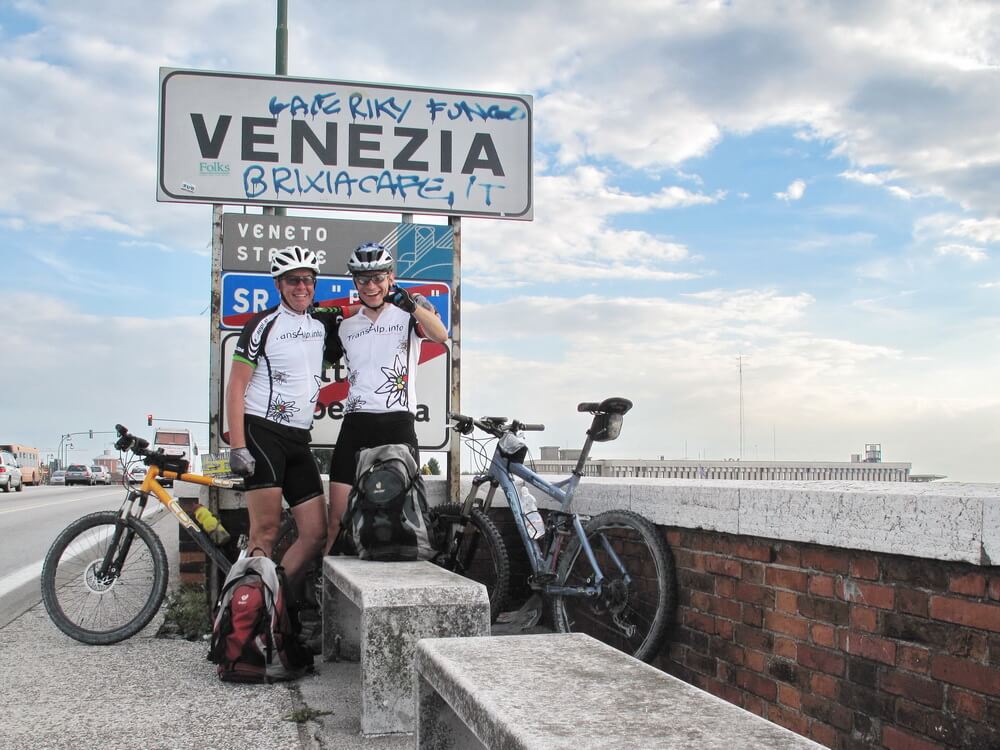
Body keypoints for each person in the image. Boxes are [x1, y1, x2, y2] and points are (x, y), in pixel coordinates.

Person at [225, 245, 343, 609]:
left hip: (297, 439)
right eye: (293, 281)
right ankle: (242, 621)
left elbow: (360, 315)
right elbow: (236, 387)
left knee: (315, 533)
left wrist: (423, 309)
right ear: (279, 284)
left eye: (308, 280)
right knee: (266, 531)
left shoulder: (320, 324)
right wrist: (238, 447)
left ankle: (268, 606)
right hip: (262, 434)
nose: (302, 287)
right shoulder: (262, 325)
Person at [326, 241, 449, 551]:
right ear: (355, 282)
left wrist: (413, 305)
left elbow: (441, 334)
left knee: (399, 516)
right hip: (355, 425)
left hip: (397, 425)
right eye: (363, 279)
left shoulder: (407, 316)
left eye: (378, 277)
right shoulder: (346, 325)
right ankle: (326, 592)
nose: (371, 285)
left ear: (391, 277)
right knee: (337, 522)